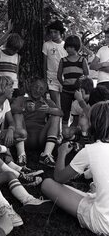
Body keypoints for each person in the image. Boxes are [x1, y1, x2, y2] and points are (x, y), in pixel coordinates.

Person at [41, 101, 109, 235]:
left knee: (48, 184)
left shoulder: (91, 150)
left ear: (93, 124)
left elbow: (59, 177)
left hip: (103, 221)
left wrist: (62, 154)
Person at [11, 78, 63, 168]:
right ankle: (21, 155)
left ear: (44, 91)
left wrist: (49, 110)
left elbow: (61, 113)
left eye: (41, 89)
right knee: (18, 114)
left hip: (41, 138)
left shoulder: (47, 102)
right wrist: (24, 109)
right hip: (24, 136)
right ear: (31, 87)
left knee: (55, 116)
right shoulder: (21, 99)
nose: (37, 90)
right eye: (36, 87)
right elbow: (11, 109)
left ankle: (46, 154)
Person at [57, 35, 89, 128]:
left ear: (76, 47)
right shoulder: (63, 60)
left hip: (78, 91)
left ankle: (76, 131)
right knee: (65, 112)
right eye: (67, 47)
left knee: (78, 112)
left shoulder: (82, 60)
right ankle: (64, 132)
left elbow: (86, 74)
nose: (68, 49)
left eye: (71, 47)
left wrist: (82, 80)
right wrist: (64, 83)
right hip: (66, 91)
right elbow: (59, 75)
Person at [42, 20, 67, 107]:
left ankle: (63, 120)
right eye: (51, 32)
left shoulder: (66, 45)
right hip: (51, 78)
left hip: (64, 78)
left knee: (65, 105)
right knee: (56, 105)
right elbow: (44, 64)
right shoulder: (46, 45)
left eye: (55, 32)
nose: (53, 34)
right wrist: (45, 80)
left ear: (61, 32)